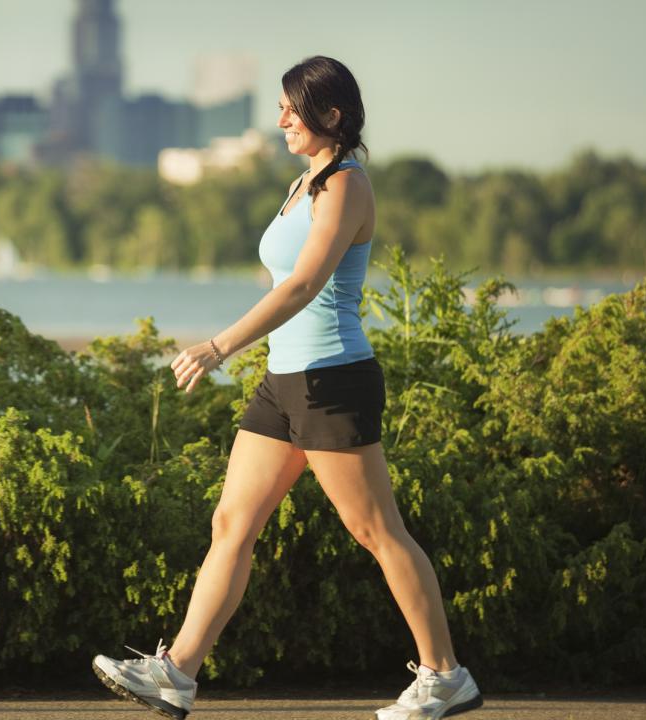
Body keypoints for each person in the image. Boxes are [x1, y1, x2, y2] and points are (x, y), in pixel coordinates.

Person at [91, 56, 484, 720]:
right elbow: (285, 285)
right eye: (278, 107)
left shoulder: (346, 185)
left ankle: (446, 676)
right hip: (283, 382)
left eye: (290, 109)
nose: (279, 120)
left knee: (375, 529)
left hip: (332, 379)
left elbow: (302, 287)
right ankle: (176, 673)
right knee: (231, 524)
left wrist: (218, 346)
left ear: (330, 115)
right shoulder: (304, 184)